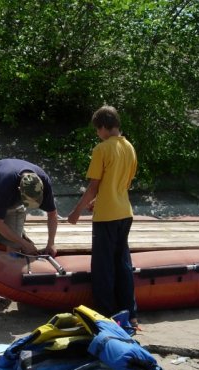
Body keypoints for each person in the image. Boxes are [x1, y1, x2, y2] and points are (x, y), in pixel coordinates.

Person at [67, 106, 138, 324]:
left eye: (97, 130)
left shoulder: (102, 149)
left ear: (104, 127)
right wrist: (98, 201)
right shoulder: (129, 147)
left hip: (106, 217)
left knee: (103, 266)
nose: (98, 134)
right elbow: (122, 184)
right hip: (125, 212)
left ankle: (106, 313)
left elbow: (94, 186)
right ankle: (129, 313)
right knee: (123, 263)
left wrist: (76, 212)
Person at [0, 158, 59, 306]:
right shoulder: (5, 184)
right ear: (20, 190)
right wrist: (25, 244)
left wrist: (51, 243)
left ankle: (9, 287)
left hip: (13, 200)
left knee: (13, 245)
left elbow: (52, 214)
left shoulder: (43, 181)